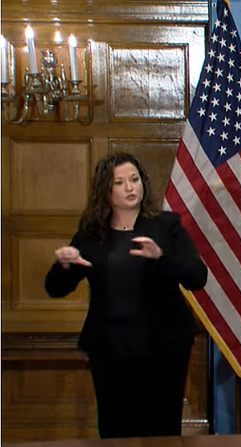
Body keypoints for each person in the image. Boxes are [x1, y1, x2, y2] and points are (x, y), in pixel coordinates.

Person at [44, 152, 208, 438]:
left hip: (164, 347)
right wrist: (64, 265)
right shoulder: (91, 234)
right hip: (109, 349)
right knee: (115, 428)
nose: (130, 188)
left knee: (162, 428)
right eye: (120, 182)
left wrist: (161, 256)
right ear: (105, 191)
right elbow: (55, 288)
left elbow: (197, 276)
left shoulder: (166, 225)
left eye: (134, 180)